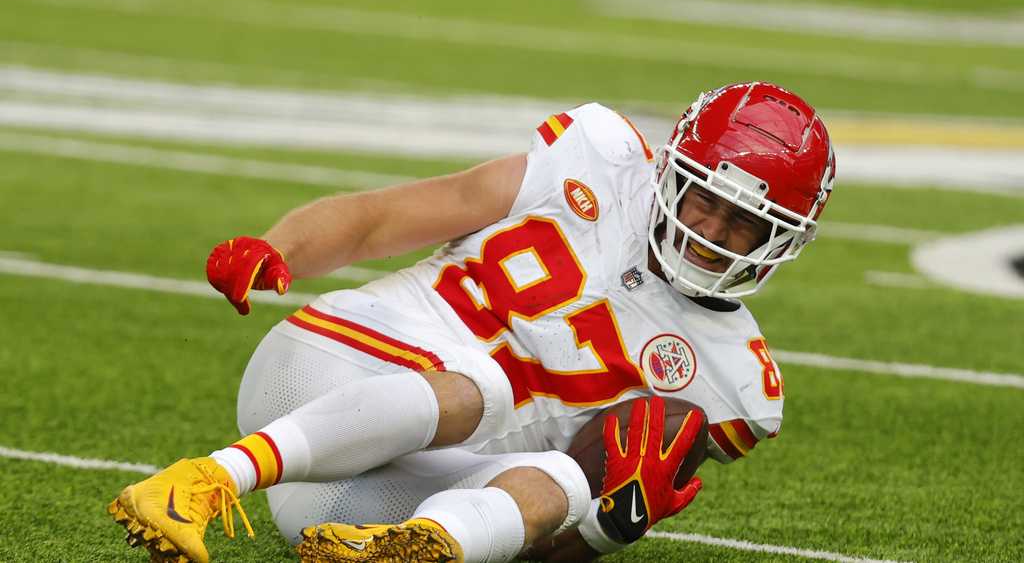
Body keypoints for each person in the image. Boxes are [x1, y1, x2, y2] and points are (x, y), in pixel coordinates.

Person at [108, 81, 836, 563]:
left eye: (745, 222)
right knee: (488, 384)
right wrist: (282, 245)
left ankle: (404, 551)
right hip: (321, 377)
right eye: (703, 195)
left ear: (785, 239)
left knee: (561, 478)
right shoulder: (597, 158)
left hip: (359, 498)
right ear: (672, 162)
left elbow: (546, 545)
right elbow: (382, 219)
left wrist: (612, 525)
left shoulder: (736, 382)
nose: (710, 229)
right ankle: (206, 478)